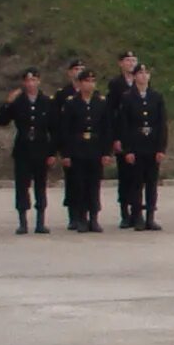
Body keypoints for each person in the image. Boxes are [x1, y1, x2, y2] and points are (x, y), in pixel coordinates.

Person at [53, 64, 113, 232]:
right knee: (79, 184)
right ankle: (81, 217)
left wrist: (106, 152)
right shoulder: (72, 103)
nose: (90, 84)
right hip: (77, 149)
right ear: (80, 83)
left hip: (95, 148)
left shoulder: (101, 102)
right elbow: (65, 130)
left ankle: (94, 217)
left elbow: (107, 129)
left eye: (93, 81)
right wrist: (65, 153)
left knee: (94, 184)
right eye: (87, 81)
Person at [0, 67, 54, 233]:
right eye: (28, 81)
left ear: (39, 81)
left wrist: (52, 152)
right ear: (23, 83)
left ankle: (40, 222)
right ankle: (23, 222)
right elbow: (1, 121)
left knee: (40, 186)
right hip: (23, 149)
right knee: (22, 186)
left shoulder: (47, 101)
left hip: (41, 148)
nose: (31, 84)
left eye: (34, 80)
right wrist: (7, 103)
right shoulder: (18, 101)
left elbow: (54, 129)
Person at [119, 64, 169, 230]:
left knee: (151, 183)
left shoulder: (156, 97)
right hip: (136, 145)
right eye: (140, 73)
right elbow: (124, 126)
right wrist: (128, 150)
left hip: (152, 146)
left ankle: (150, 217)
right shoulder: (127, 97)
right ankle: (137, 217)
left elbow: (162, 124)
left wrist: (161, 148)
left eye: (146, 73)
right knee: (136, 183)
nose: (143, 76)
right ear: (134, 77)